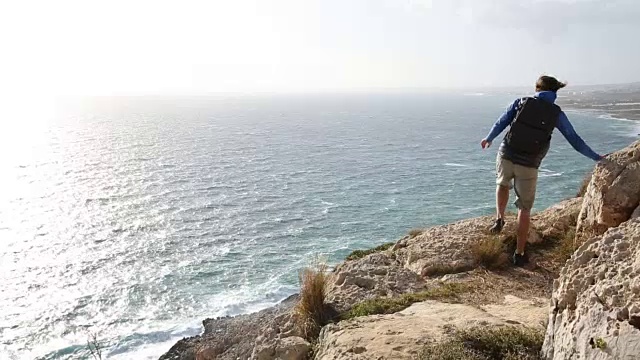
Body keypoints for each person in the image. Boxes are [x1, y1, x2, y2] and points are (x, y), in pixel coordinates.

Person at [480, 75, 603, 266]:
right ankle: (519, 253)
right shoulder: (556, 113)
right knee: (525, 208)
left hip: (506, 154)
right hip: (529, 164)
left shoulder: (521, 102)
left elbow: (501, 122)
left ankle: (499, 219)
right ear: (554, 92)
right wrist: (596, 157)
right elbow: (574, 139)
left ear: (537, 89)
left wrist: (489, 138)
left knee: (502, 183)